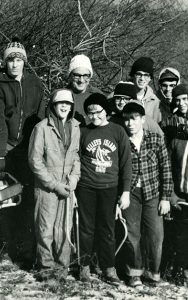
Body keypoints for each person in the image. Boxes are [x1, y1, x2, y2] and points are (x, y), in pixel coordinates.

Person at [0, 38, 44, 267]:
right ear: (5, 62)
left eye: (18, 60)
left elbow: (40, 118)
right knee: (7, 200)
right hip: (9, 149)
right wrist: (0, 155)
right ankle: (7, 248)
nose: (14, 64)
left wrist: (39, 150)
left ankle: (28, 249)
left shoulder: (35, 83)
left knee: (29, 200)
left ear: (24, 62)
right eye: (10, 60)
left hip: (29, 149)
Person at [76, 93, 132, 285]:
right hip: (86, 187)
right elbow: (76, 160)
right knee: (86, 228)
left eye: (98, 112)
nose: (94, 116)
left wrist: (125, 191)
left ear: (106, 111)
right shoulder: (83, 132)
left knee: (107, 229)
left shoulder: (118, 131)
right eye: (90, 113)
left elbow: (126, 164)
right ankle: (84, 265)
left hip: (109, 188)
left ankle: (108, 267)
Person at [28, 88, 80, 281]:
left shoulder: (75, 127)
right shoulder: (42, 127)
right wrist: (53, 184)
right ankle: (46, 267)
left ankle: (62, 267)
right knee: (45, 228)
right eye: (60, 103)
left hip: (67, 186)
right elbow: (35, 161)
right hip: (47, 187)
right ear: (53, 105)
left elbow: (77, 158)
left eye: (68, 103)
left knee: (64, 229)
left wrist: (74, 179)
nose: (64, 106)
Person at [121, 100, 172, 287]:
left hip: (153, 193)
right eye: (126, 119)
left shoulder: (155, 139)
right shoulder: (122, 140)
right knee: (132, 233)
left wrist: (165, 198)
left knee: (155, 235)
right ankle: (134, 273)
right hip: (131, 193)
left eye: (134, 119)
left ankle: (153, 274)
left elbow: (165, 169)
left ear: (142, 119)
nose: (130, 123)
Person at [160, 84, 188, 285]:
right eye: (178, 100)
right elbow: (168, 161)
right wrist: (170, 193)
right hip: (180, 190)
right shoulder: (173, 128)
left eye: (186, 99)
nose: (182, 103)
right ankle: (180, 269)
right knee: (180, 232)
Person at [67, 54, 103, 126]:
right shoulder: (62, 96)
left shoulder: (97, 95)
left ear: (90, 76)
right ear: (70, 75)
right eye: (77, 75)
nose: (81, 80)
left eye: (85, 75)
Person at [129, 57, 161, 123]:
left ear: (150, 78)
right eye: (139, 74)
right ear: (133, 75)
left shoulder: (155, 102)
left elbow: (157, 127)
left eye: (146, 75)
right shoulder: (121, 96)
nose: (142, 78)